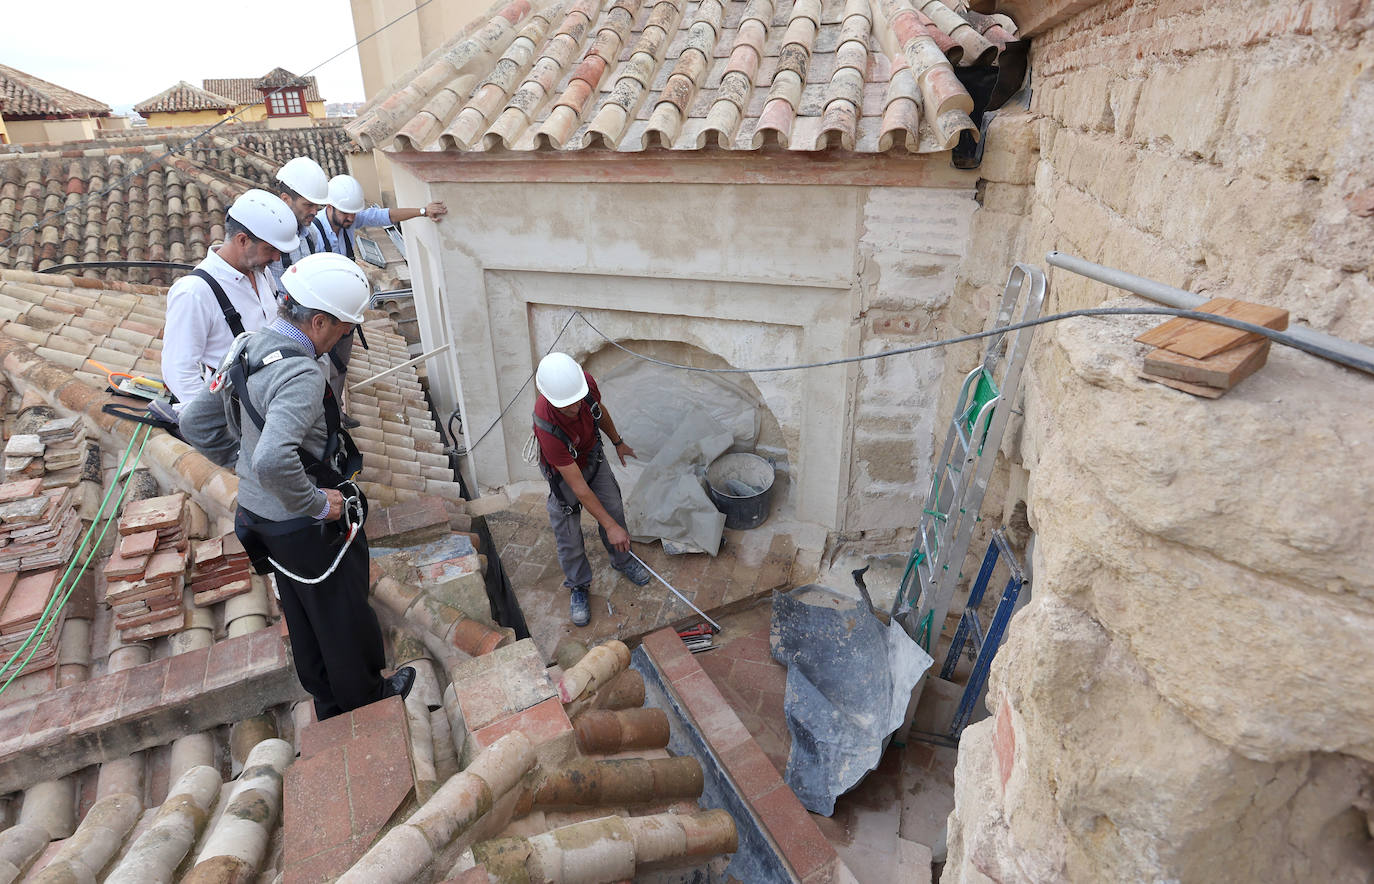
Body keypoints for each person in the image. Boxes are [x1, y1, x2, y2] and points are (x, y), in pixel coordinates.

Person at [178, 252, 414, 719]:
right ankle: (365, 700)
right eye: (344, 328)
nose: (345, 337)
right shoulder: (301, 374)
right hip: (303, 525)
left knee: (304, 611)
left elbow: (194, 422)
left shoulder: (247, 345)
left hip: (259, 517)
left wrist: (243, 466)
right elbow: (272, 459)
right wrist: (316, 505)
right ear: (319, 321)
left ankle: (327, 700)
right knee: (341, 611)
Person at [304, 174, 448, 421]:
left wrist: (423, 211)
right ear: (329, 206)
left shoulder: (348, 221)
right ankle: (321, 418)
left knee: (340, 365)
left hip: (343, 312)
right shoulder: (313, 234)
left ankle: (335, 412)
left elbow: (384, 216)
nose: (351, 219)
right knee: (322, 367)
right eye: (345, 213)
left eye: (353, 214)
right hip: (322, 312)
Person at [532, 352, 650, 627]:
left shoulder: (583, 385)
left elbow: (599, 411)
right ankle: (578, 585)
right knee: (568, 533)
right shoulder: (546, 426)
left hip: (592, 455)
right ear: (551, 399)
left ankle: (622, 560)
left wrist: (618, 442)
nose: (575, 407)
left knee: (613, 507)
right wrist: (609, 527)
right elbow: (580, 488)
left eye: (577, 400)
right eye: (567, 405)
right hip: (564, 475)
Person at [162, 189, 299, 405]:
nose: (276, 258)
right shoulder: (194, 292)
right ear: (242, 240)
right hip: (232, 411)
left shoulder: (261, 274)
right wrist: (212, 420)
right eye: (270, 249)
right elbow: (179, 371)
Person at [266, 156, 331, 293]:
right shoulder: (267, 237)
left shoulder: (311, 234)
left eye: (317, 206)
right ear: (286, 199)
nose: (315, 212)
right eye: (308, 205)